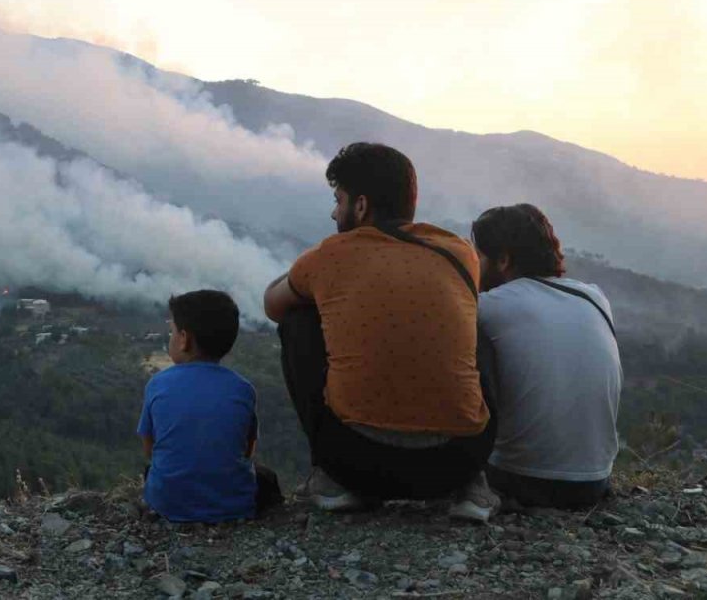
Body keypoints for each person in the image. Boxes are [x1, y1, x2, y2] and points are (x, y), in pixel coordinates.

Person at [263, 142, 498, 521]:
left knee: (297, 322)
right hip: (458, 460)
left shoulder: (330, 254)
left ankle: (331, 480)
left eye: (338, 200)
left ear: (360, 206)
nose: (333, 212)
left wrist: (308, 275)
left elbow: (272, 304)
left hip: (356, 463)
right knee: (476, 329)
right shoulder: (460, 252)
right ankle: (474, 487)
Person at [472, 204, 621, 508]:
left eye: (479, 257)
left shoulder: (490, 306)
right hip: (593, 483)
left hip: (521, 480)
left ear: (502, 260)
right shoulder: (594, 296)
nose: (474, 265)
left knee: (459, 336)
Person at [137, 290, 283, 522]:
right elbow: (247, 450)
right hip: (234, 508)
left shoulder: (158, 384)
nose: (171, 337)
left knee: (152, 471)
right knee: (267, 478)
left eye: (172, 331)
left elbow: (149, 449)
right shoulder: (242, 389)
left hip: (168, 504)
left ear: (184, 339)